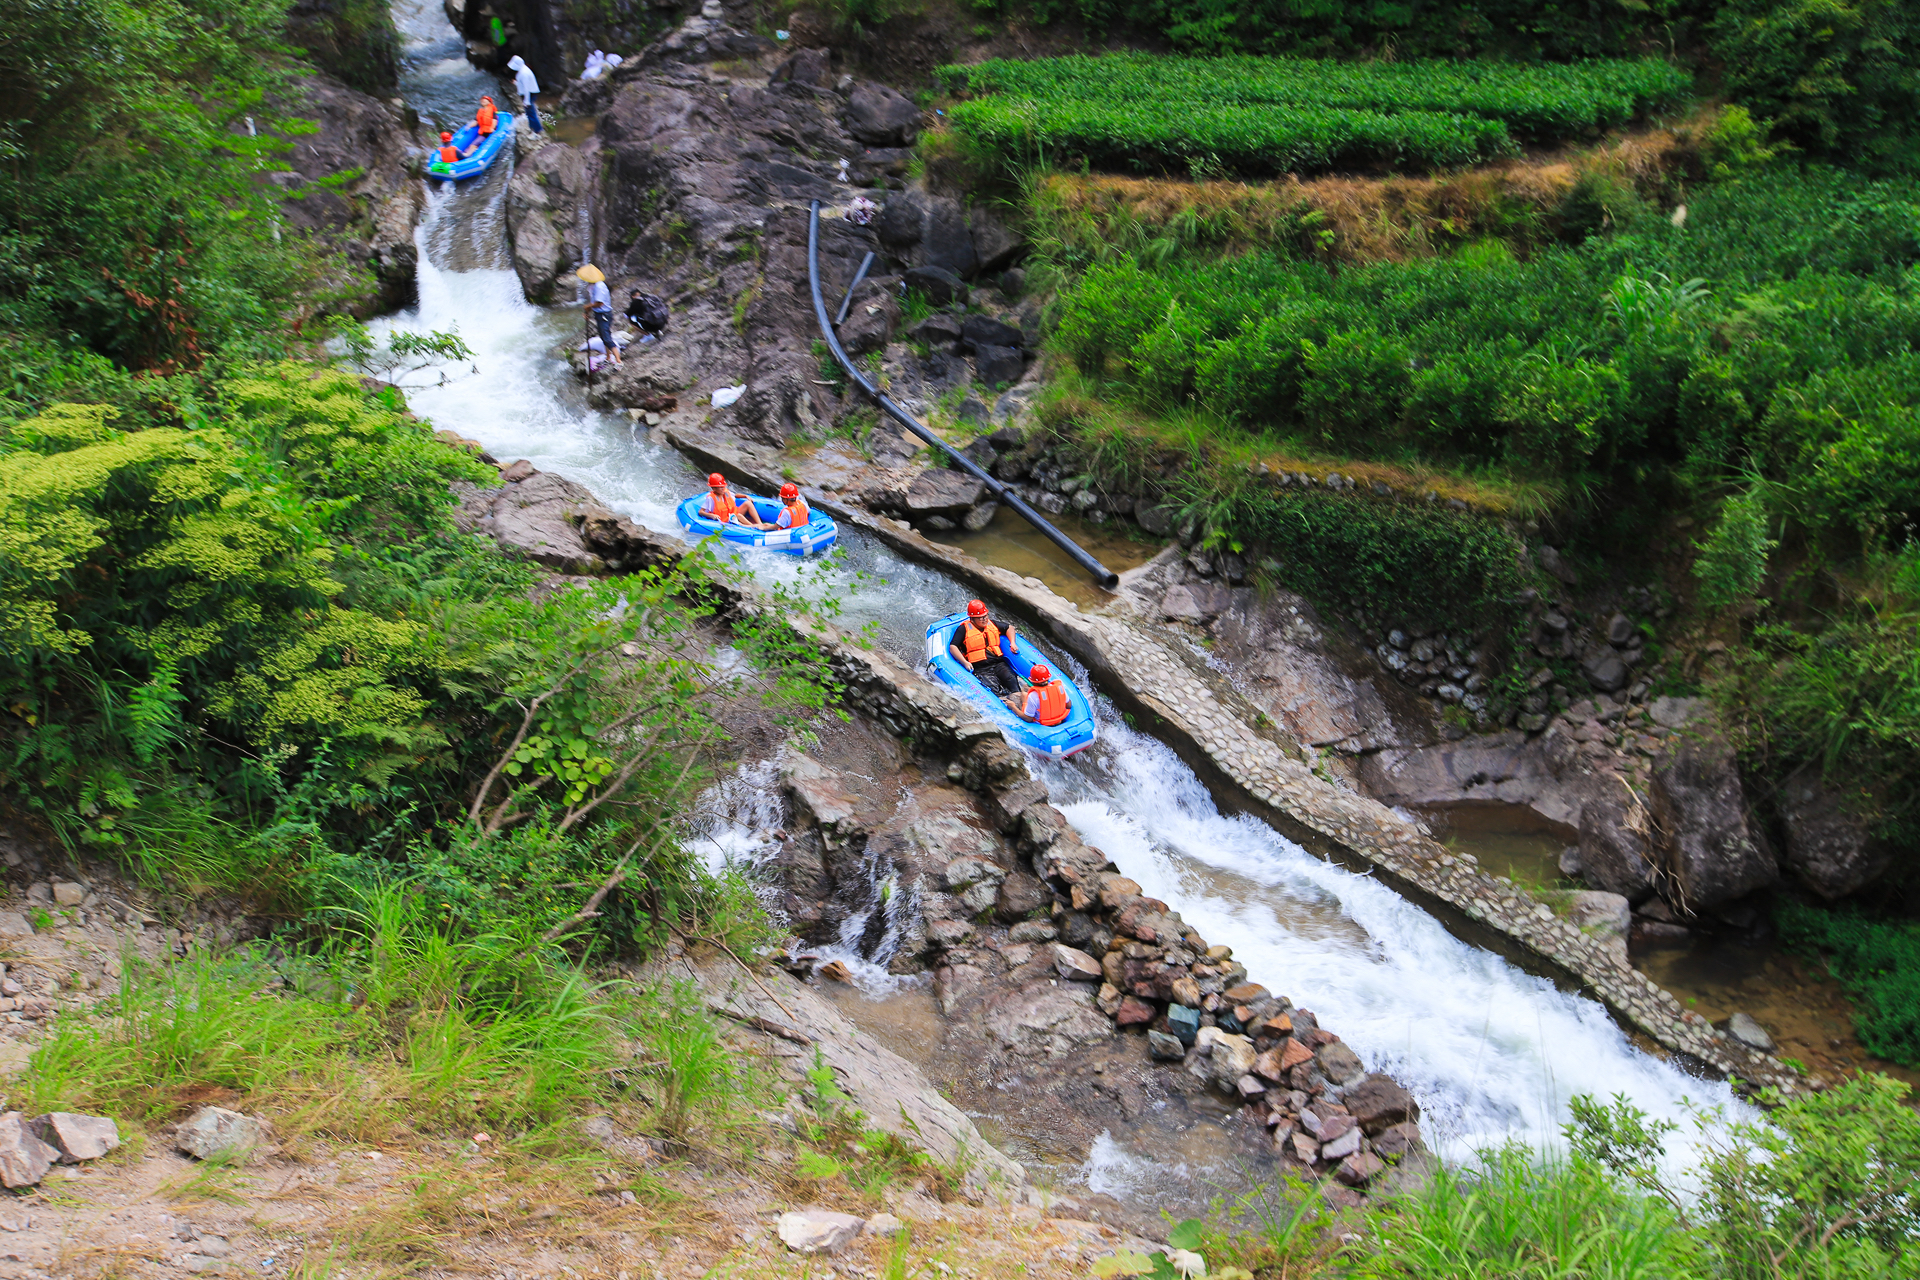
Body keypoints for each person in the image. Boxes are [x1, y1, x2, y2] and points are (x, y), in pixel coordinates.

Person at [949, 598, 1019, 696]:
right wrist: (964, 662)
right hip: (980, 668)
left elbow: (1009, 628)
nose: (984, 619)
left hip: (998, 664)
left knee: (1012, 681)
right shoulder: (963, 629)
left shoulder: (992, 624)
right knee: (995, 691)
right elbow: (953, 647)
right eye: (981, 617)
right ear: (972, 619)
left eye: (985, 616)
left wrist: (1012, 642)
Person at [699, 473, 773, 530]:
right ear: (714, 488)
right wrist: (712, 515)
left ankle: (759, 524)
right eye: (720, 487)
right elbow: (701, 512)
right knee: (739, 519)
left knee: (747, 504)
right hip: (725, 521)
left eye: (723, 486)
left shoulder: (726, 492)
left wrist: (745, 496)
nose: (723, 489)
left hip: (732, 515)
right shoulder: (711, 499)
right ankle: (755, 527)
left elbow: (735, 495)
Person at [581, 264, 621, 368]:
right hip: (599, 314)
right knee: (604, 337)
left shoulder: (599, 286)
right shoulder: (593, 286)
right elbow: (594, 303)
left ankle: (618, 361)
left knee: (607, 338)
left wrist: (588, 306)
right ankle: (608, 357)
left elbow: (600, 303)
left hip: (604, 315)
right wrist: (587, 312)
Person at [508, 54, 543, 134]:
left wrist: (526, 101)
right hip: (529, 93)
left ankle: (538, 130)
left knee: (531, 113)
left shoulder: (524, 73)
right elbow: (523, 84)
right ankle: (533, 128)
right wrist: (516, 83)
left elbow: (526, 88)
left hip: (529, 94)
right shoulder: (523, 70)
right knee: (529, 113)